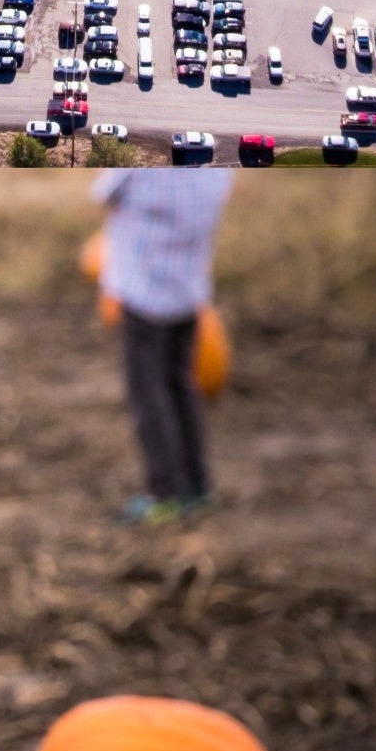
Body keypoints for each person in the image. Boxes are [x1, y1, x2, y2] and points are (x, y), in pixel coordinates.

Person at [93, 169, 235, 524]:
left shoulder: (146, 168)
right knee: (182, 384)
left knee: (149, 393)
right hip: (189, 290)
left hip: (144, 291)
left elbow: (103, 192)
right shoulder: (215, 168)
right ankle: (197, 486)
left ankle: (166, 492)